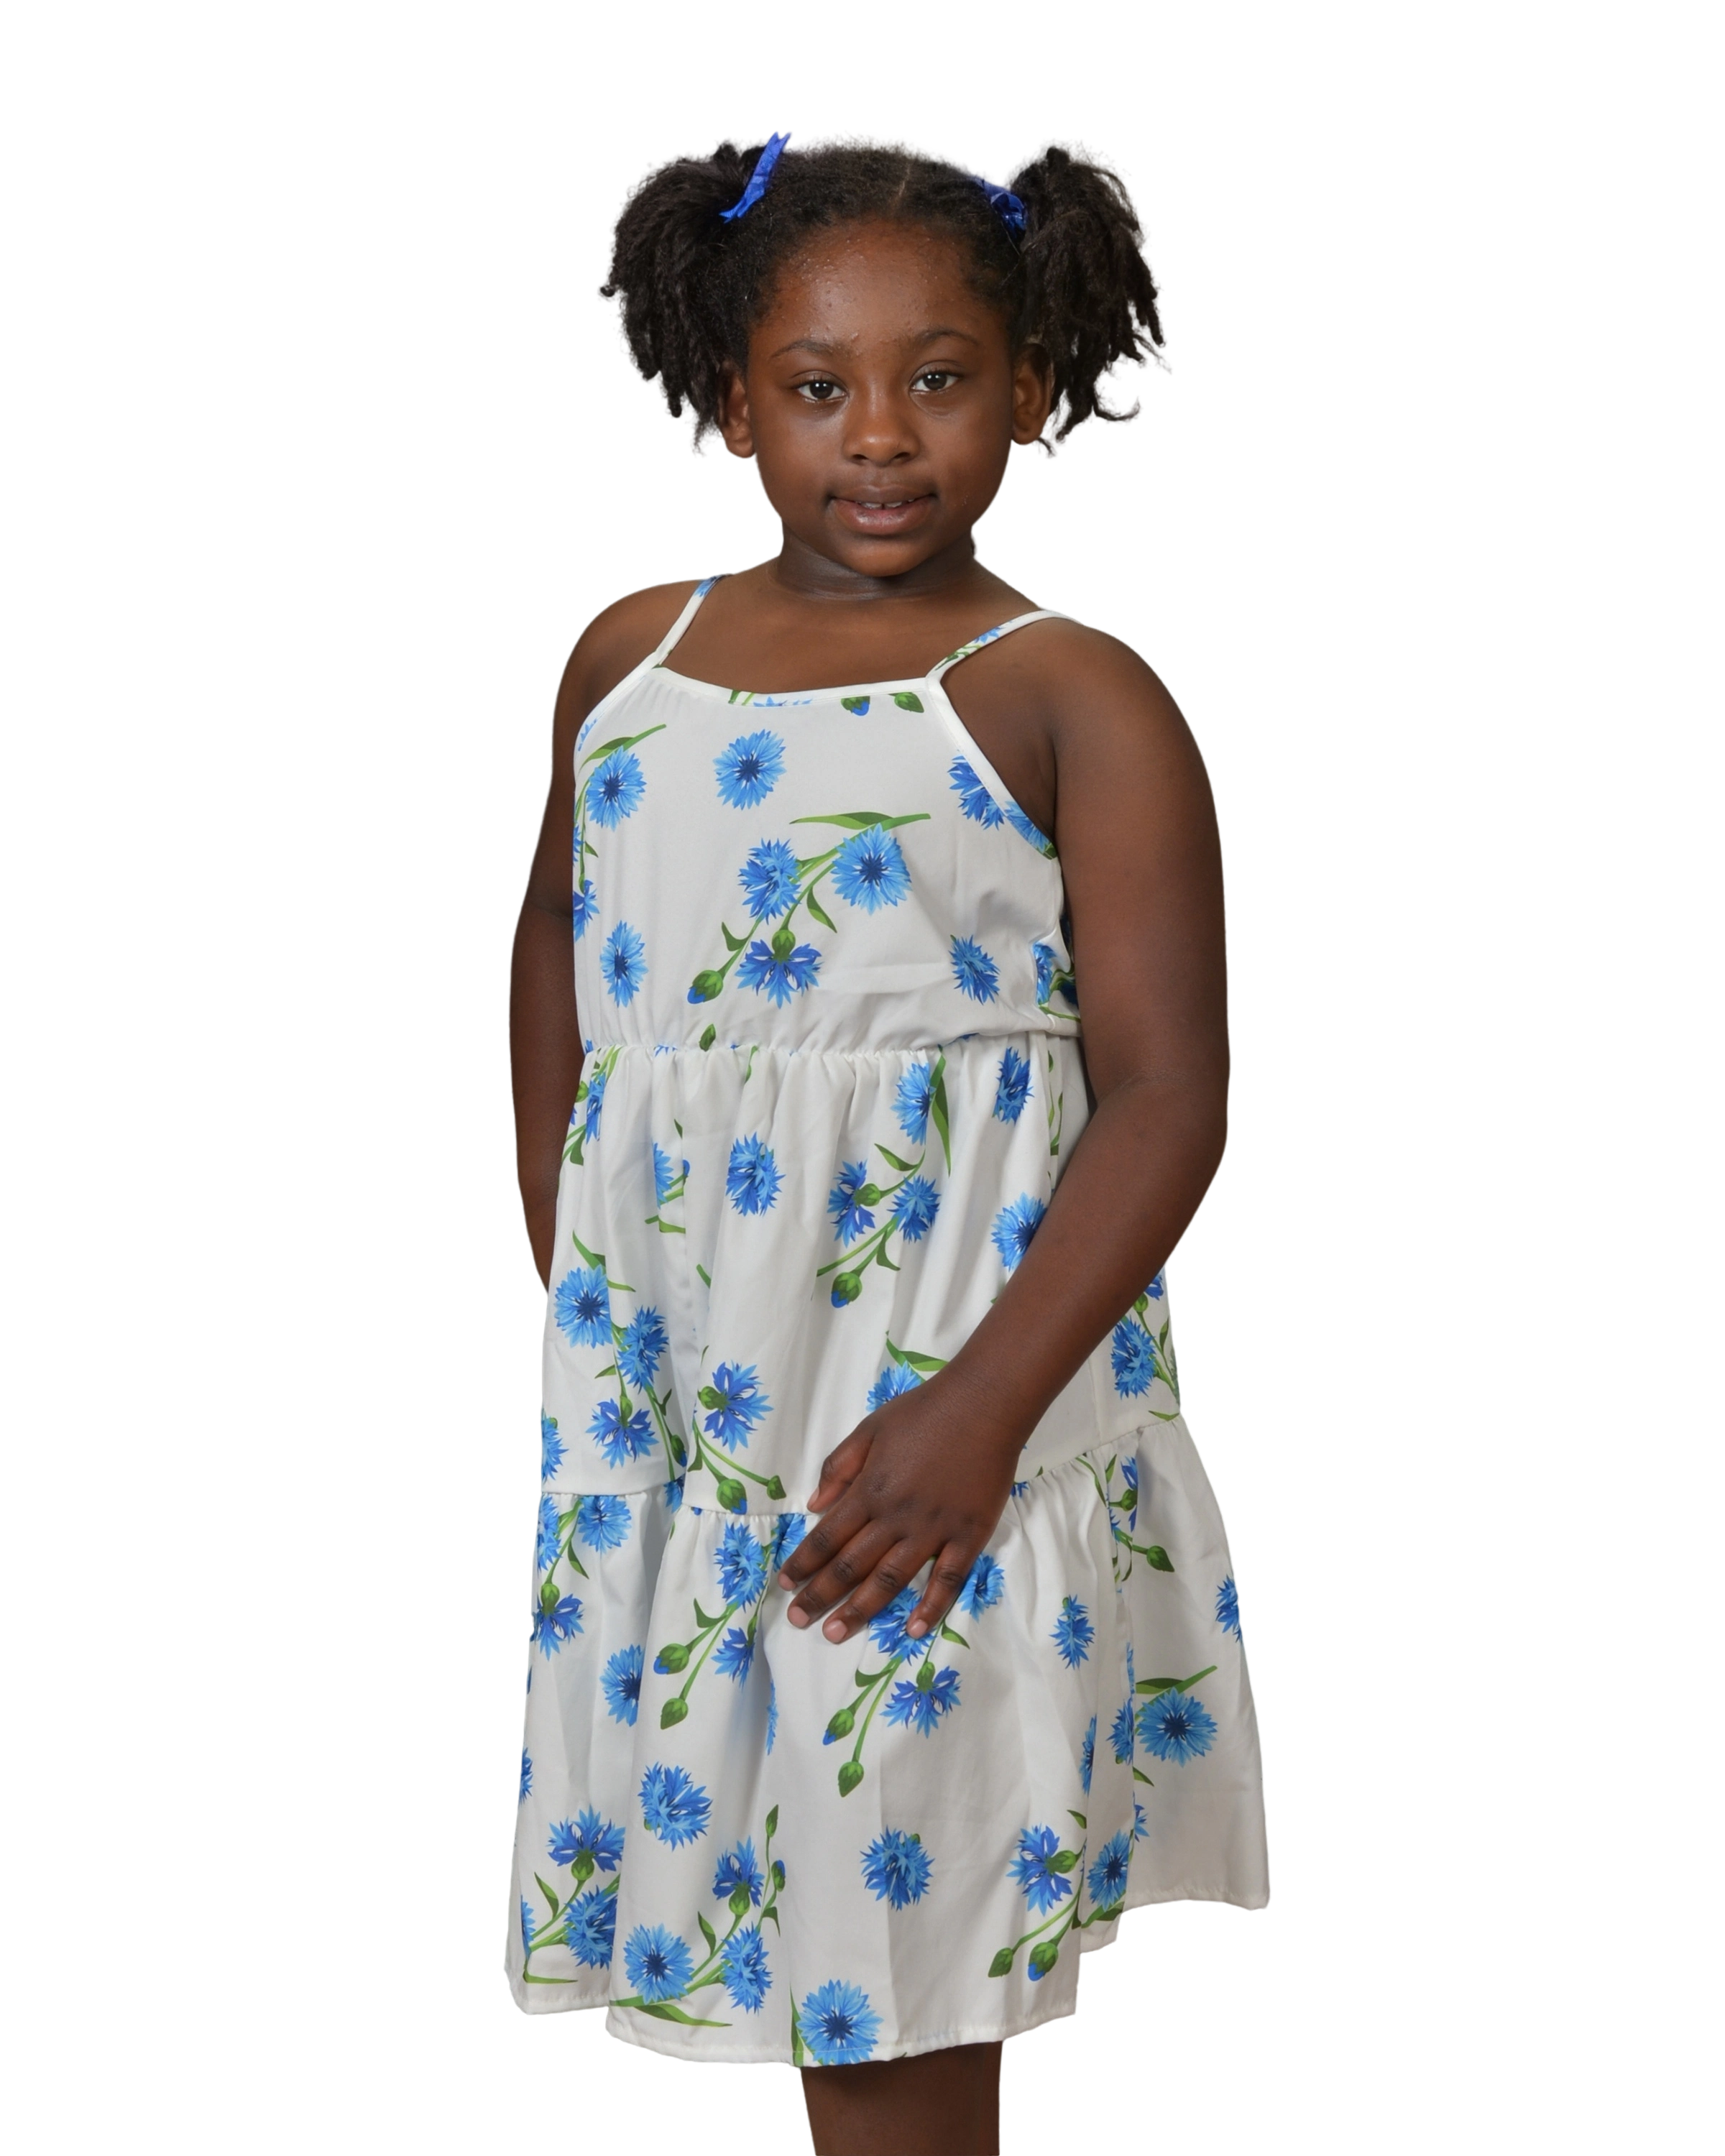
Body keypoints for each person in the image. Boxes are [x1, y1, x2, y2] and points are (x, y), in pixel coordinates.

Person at [505, 129, 1270, 2156]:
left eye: (939, 378)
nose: (879, 436)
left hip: (936, 1404)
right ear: (725, 395)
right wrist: (568, 1268)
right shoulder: (626, 661)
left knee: (897, 1977)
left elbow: (1169, 1096)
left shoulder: (1069, 693)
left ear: (1033, 382)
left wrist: (977, 1416)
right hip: (686, 1408)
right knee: (758, 1942)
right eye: (816, 383)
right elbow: (558, 950)